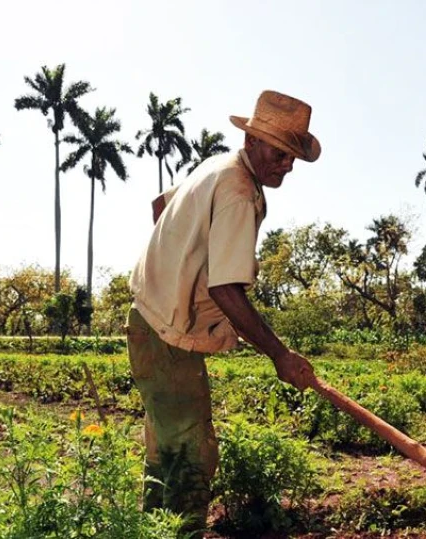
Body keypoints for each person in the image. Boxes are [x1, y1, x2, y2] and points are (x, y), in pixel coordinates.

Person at [126, 89, 321, 534]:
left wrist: (177, 264)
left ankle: (151, 532)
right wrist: (280, 354)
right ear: (252, 141)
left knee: (165, 452)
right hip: (168, 335)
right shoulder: (238, 189)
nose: (286, 165)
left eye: (292, 157)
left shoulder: (216, 166)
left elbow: (161, 206)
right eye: (279, 152)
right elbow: (227, 289)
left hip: (150, 320)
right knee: (193, 456)